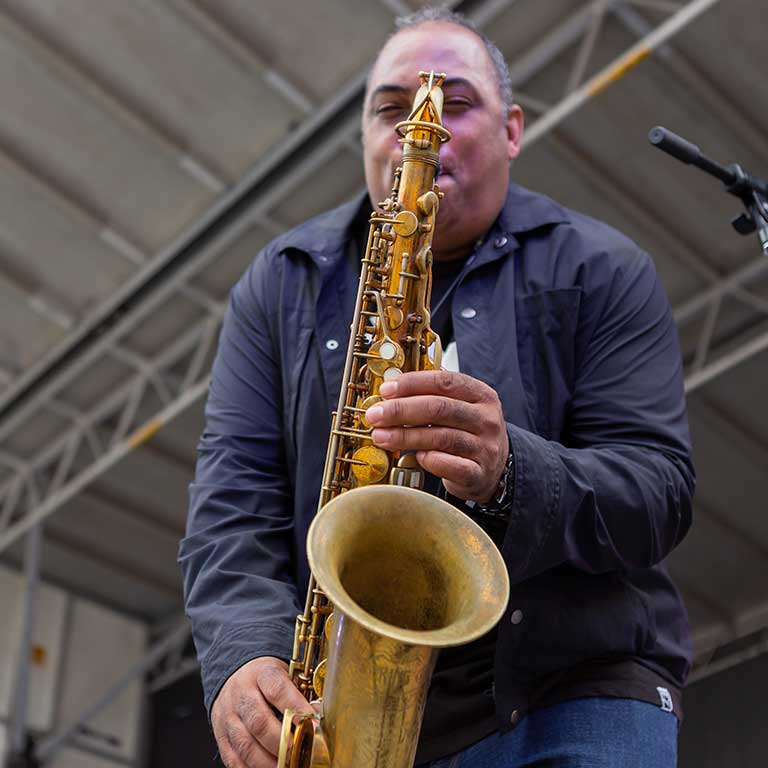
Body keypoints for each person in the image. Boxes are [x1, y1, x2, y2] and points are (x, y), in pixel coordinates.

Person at [179, 8, 695, 768]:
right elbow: (232, 505)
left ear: (513, 130)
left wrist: (514, 470)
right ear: (364, 134)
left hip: (579, 694)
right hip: (357, 718)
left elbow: (660, 491)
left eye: (456, 103)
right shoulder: (282, 283)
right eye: (393, 108)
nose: (420, 128)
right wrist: (243, 657)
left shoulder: (604, 268)